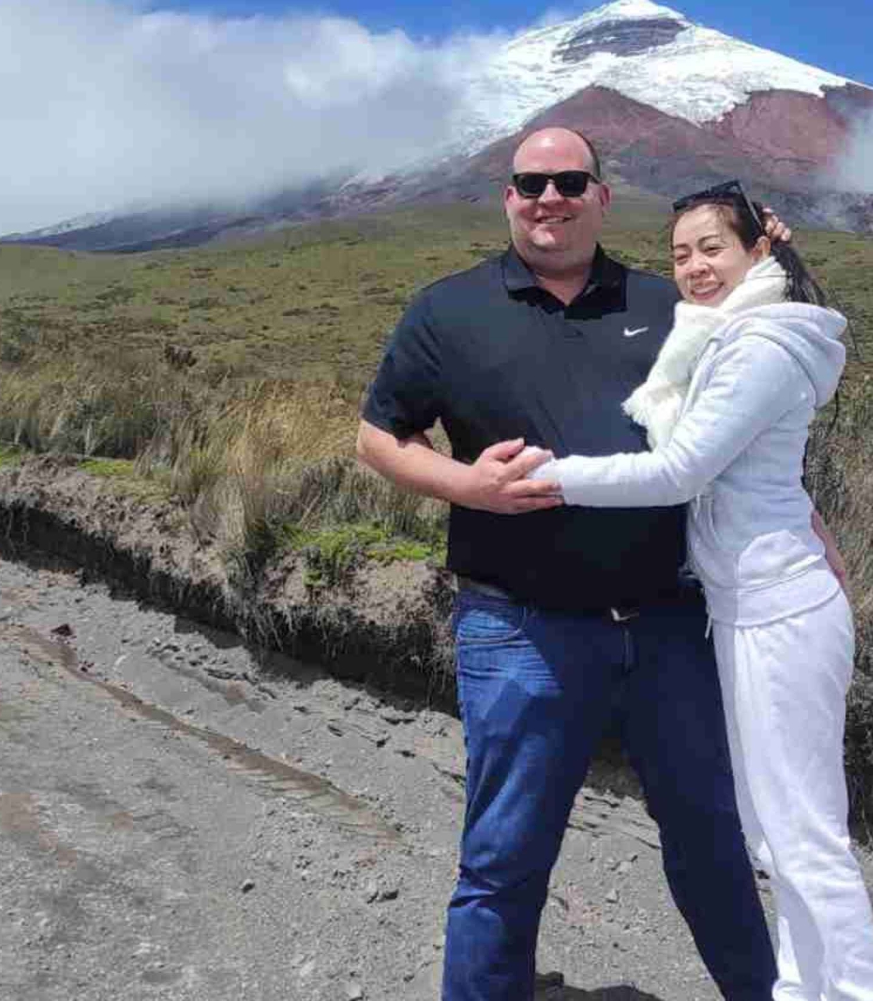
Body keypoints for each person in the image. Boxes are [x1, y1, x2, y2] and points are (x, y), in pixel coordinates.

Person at [356, 128, 779, 1000]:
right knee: (504, 856)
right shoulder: (448, 310)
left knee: (711, 840)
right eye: (531, 183)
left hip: (666, 625)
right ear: (507, 196)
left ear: (600, 195)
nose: (550, 197)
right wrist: (467, 487)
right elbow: (378, 437)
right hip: (517, 624)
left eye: (569, 181)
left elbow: (768, 384)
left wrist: (771, 248)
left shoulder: (671, 303)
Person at [525, 181, 873, 1001]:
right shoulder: (722, 334)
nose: (693, 267)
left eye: (712, 248)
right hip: (745, 603)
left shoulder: (759, 344)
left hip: (782, 608)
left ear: (758, 249)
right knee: (773, 830)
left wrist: (544, 476)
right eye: (681, 253)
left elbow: (681, 467)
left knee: (805, 836)